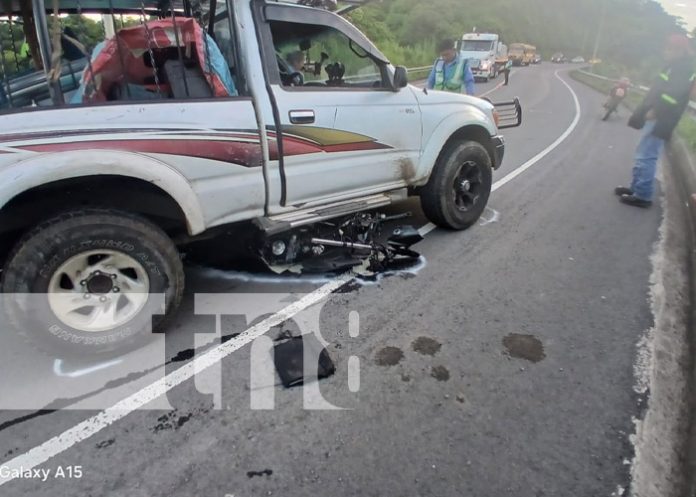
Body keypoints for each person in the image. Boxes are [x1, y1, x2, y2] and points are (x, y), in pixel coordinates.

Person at [616, 34, 696, 208]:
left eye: (668, 49)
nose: (665, 52)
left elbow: (673, 95)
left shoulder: (683, 68)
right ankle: (636, 188)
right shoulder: (675, 66)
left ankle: (643, 195)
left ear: (679, 50)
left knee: (647, 155)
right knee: (642, 152)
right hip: (659, 117)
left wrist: (655, 110)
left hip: (662, 118)